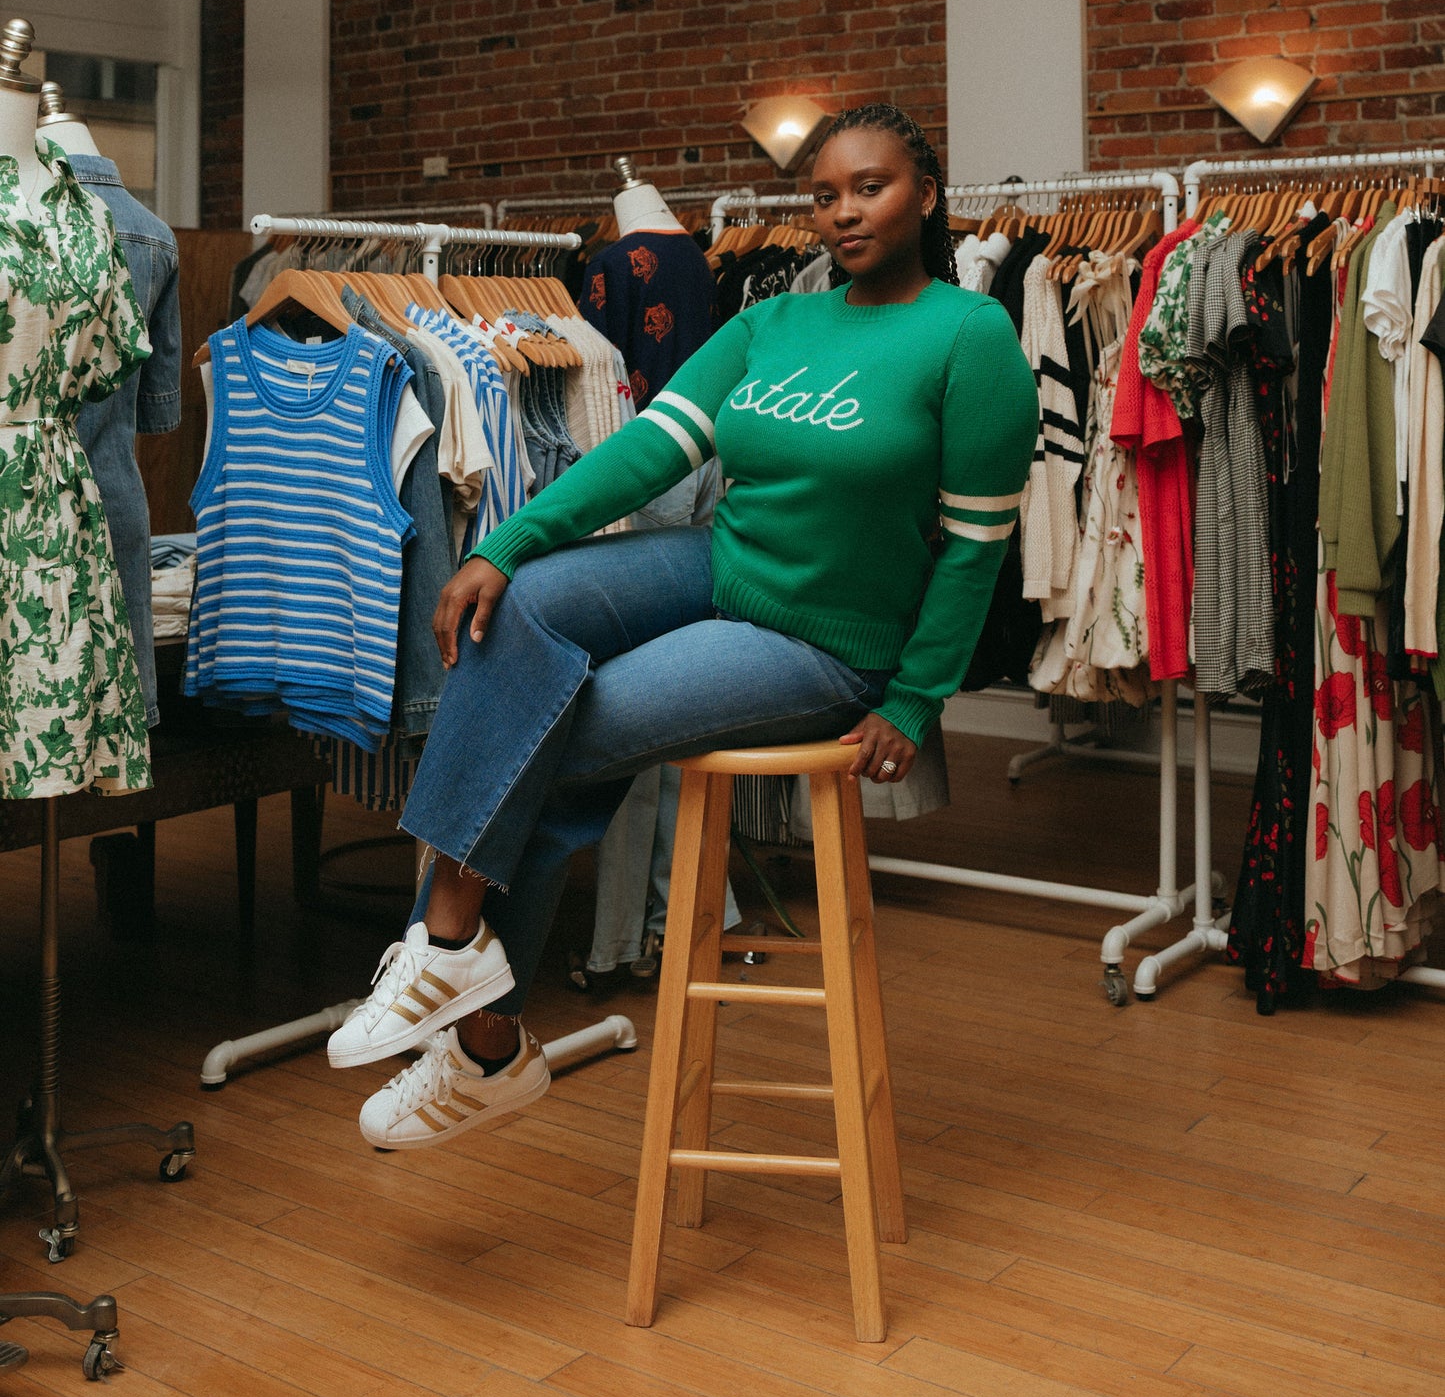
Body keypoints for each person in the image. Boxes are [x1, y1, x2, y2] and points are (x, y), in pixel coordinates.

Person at [328, 103, 1039, 1148]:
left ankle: (472, 1013)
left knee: (558, 724)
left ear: (925, 195)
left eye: (870, 187)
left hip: (824, 641)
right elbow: (648, 451)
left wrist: (915, 699)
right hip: (721, 564)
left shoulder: (970, 337)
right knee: (515, 612)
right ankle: (456, 965)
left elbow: (975, 547)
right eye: (824, 195)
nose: (843, 212)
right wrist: (502, 545)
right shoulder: (772, 323)